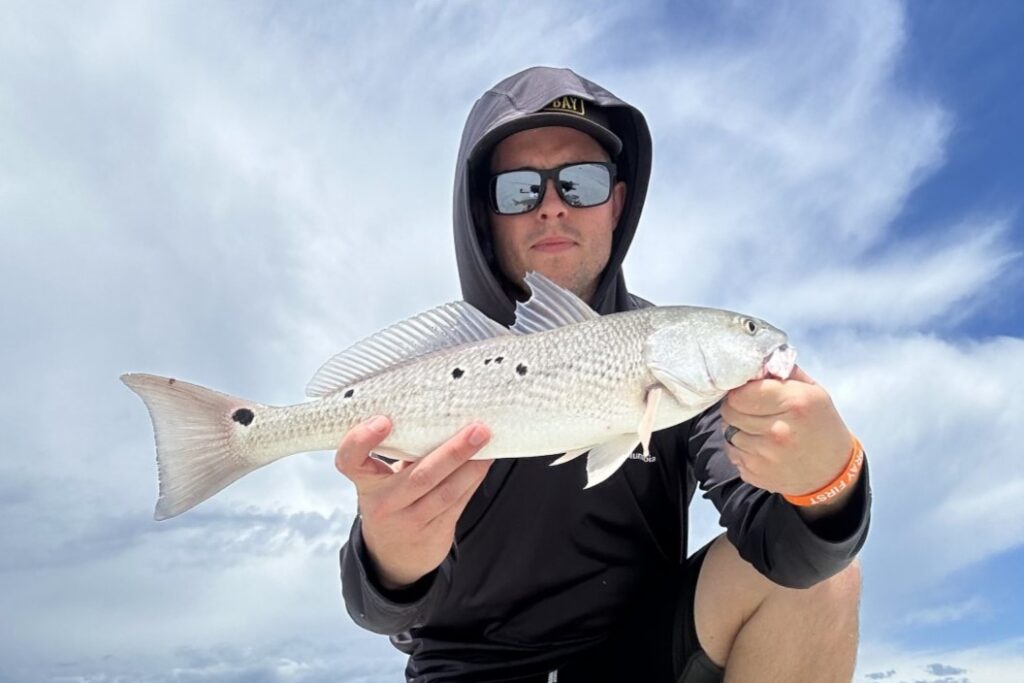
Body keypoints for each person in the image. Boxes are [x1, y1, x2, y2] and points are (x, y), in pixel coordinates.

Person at [335, 66, 870, 683]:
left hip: (637, 657)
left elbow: (787, 549)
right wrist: (390, 561)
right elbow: (374, 607)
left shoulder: (678, 362)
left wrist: (828, 485)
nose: (553, 208)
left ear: (617, 202)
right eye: (519, 190)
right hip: (467, 670)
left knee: (828, 581)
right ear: (485, 215)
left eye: (580, 183)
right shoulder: (438, 370)